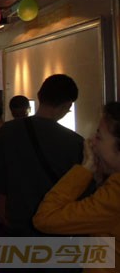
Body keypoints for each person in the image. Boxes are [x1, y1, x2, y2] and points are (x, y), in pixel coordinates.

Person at [0, 74, 85, 237]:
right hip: (56, 225)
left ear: (39, 96)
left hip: (15, 220)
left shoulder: (8, 131)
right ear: (67, 105)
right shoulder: (76, 142)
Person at [33, 102, 120, 271]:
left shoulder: (115, 195)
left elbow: (45, 217)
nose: (91, 142)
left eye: (99, 136)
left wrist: (85, 168)